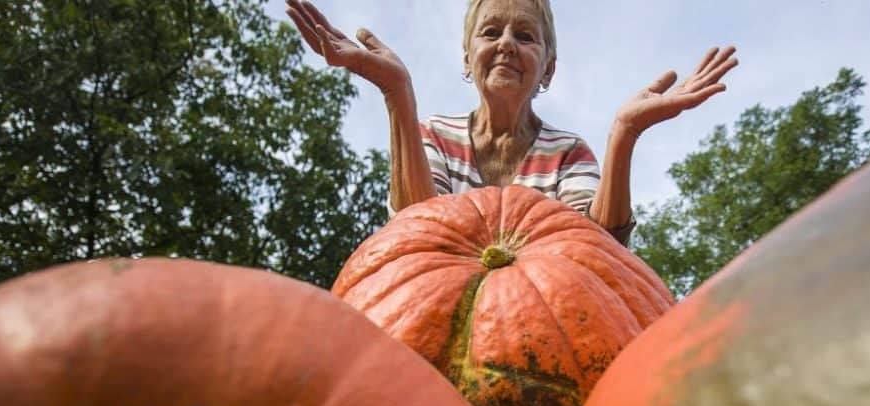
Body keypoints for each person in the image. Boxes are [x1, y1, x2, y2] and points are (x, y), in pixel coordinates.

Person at [285, 0, 736, 246]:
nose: (506, 44)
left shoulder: (567, 153)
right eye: (490, 32)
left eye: (524, 36)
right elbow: (419, 237)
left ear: (548, 68)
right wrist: (397, 92)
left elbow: (598, 259)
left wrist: (624, 132)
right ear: (467, 58)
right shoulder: (436, 136)